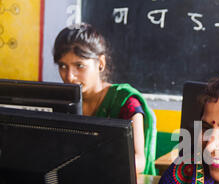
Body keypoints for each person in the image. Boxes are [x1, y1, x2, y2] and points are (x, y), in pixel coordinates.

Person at [53, 23, 157, 175]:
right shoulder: (62, 102)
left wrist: (97, 168)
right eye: (63, 66)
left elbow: (139, 160)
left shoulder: (125, 102)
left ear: (100, 63)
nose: (69, 76)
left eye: (79, 66)